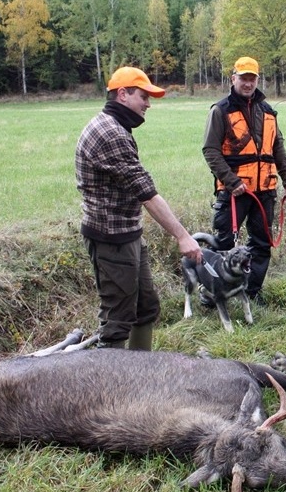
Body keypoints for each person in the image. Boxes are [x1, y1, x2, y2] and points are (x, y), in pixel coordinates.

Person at [75, 66, 203, 350]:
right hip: (111, 239)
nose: (148, 104)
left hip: (128, 234)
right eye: (144, 96)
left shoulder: (115, 126)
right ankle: (113, 389)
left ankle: (139, 373)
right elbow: (146, 193)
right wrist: (182, 236)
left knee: (146, 308)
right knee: (117, 321)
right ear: (122, 94)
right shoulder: (110, 133)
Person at [202, 56, 286, 304]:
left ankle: (251, 292)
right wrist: (232, 182)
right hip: (234, 192)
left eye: (252, 78)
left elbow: (277, 149)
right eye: (243, 78)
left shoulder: (268, 112)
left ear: (257, 79)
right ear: (233, 78)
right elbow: (210, 151)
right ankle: (212, 293)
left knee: (262, 244)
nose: (247, 83)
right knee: (223, 244)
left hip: (265, 189)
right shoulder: (220, 110)